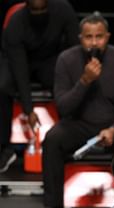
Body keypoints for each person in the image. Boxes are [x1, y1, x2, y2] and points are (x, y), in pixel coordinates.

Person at [41, 12, 114, 208]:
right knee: (53, 139)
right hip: (79, 124)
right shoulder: (67, 60)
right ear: (80, 38)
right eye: (89, 37)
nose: (94, 42)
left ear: (107, 36)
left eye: (99, 36)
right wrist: (84, 82)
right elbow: (63, 108)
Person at [0, 0, 79, 172]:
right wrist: (28, 110)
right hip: (17, 59)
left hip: (48, 57)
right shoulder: (15, 24)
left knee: (63, 79)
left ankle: (72, 137)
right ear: (26, 6)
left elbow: (75, 49)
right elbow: (20, 70)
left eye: (42, 9)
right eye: (35, 11)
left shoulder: (63, 9)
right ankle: (4, 148)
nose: (39, 13)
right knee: (3, 86)